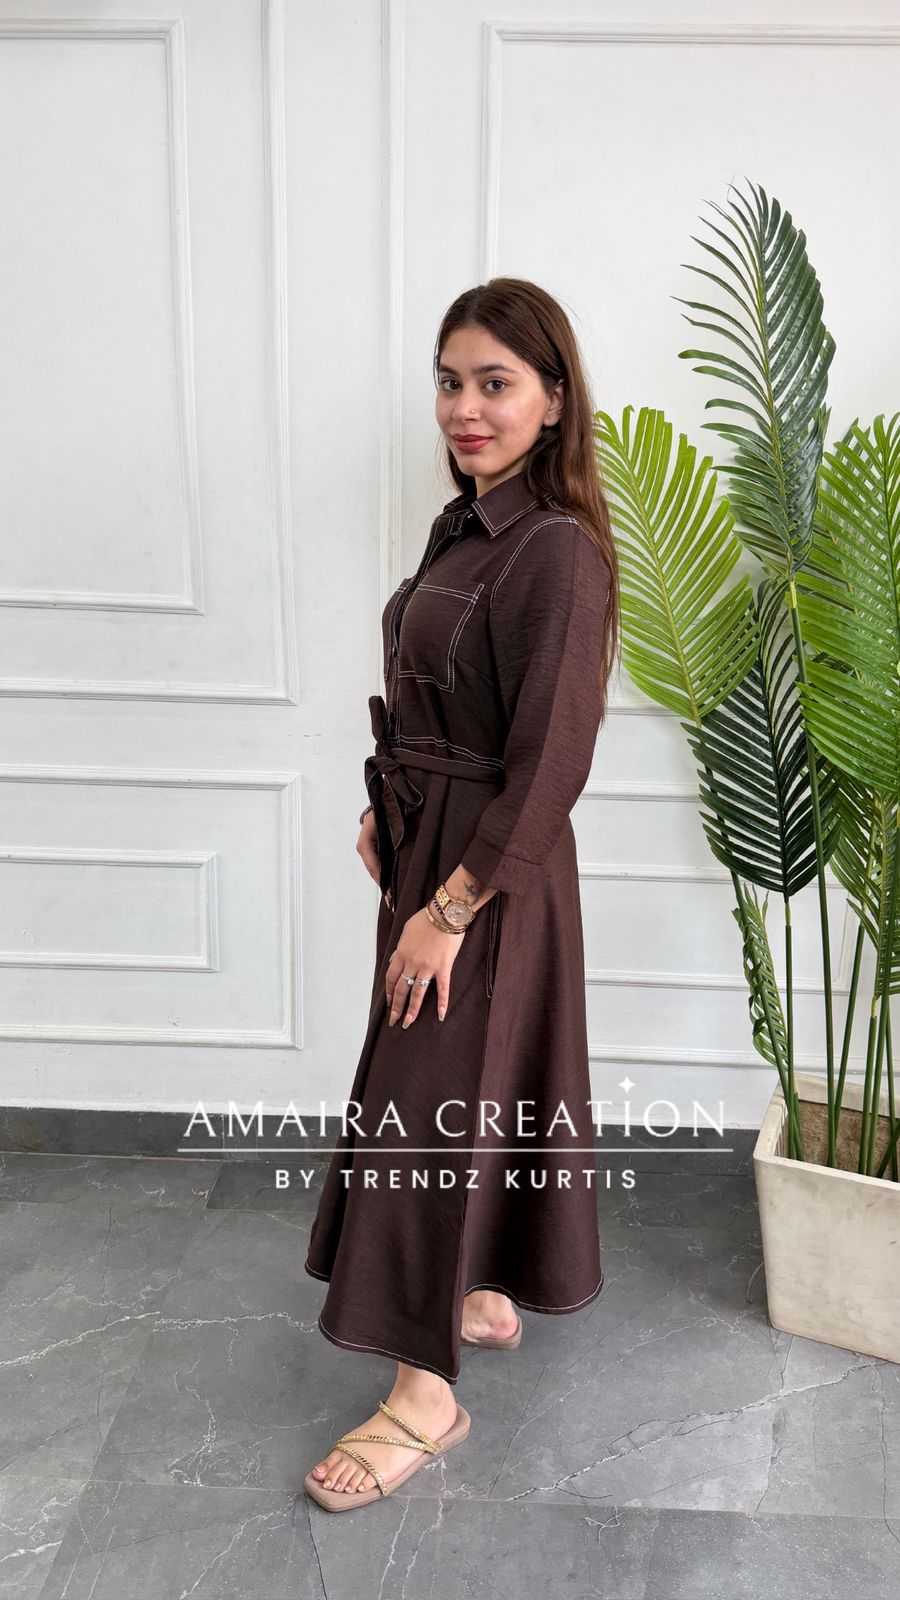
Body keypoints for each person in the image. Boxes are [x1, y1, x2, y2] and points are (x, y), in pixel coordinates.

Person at [303, 277, 620, 1511]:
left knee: (424, 1105)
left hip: (487, 872)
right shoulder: (467, 528)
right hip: (435, 844)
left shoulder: (557, 550)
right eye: (450, 381)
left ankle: (424, 1397)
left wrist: (451, 907)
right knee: (472, 1081)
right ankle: (480, 1289)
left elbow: (551, 761)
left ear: (555, 400)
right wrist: (389, 807)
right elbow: (448, 698)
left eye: (496, 383)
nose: (465, 407)